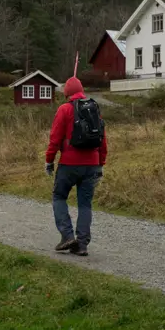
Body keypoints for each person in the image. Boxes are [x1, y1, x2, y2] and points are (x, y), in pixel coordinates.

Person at [45, 77, 106, 257]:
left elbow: (55, 139)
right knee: (85, 204)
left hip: (69, 164)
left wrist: (49, 160)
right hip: (92, 164)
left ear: (67, 93)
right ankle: (82, 245)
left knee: (59, 196)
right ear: (82, 90)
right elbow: (103, 140)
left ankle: (67, 235)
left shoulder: (64, 109)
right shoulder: (94, 108)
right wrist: (101, 163)